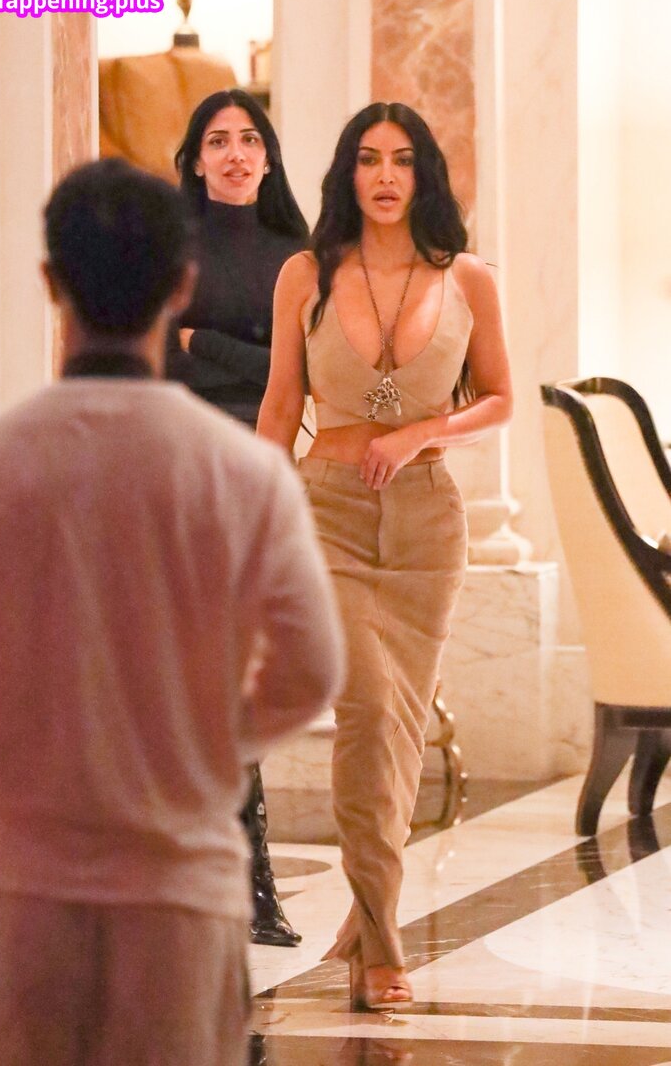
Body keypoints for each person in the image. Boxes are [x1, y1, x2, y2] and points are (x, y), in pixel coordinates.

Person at [0, 159, 344, 1066]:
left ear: (50, 282)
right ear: (180, 286)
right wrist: (204, 740)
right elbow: (313, 669)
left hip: (18, 881)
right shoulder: (241, 472)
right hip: (179, 883)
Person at [257, 102, 512, 1009]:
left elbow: (500, 399)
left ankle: (367, 916)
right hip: (326, 513)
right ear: (348, 174)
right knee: (367, 711)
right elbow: (281, 405)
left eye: (403, 160)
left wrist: (419, 435)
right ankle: (384, 948)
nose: (386, 176)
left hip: (427, 524)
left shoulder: (468, 278)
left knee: (399, 729)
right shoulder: (305, 275)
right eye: (369, 160)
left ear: (424, 173)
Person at [166, 88, 311, 947]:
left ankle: (242, 880)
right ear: (194, 160)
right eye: (217, 140)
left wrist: (206, 344)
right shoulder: (171, 249)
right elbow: (161, 361)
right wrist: (251, 365)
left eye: (249, 139)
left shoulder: (299, 256)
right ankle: (244, 882)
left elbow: (303, 375)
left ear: (268, 157)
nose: (235, 153)